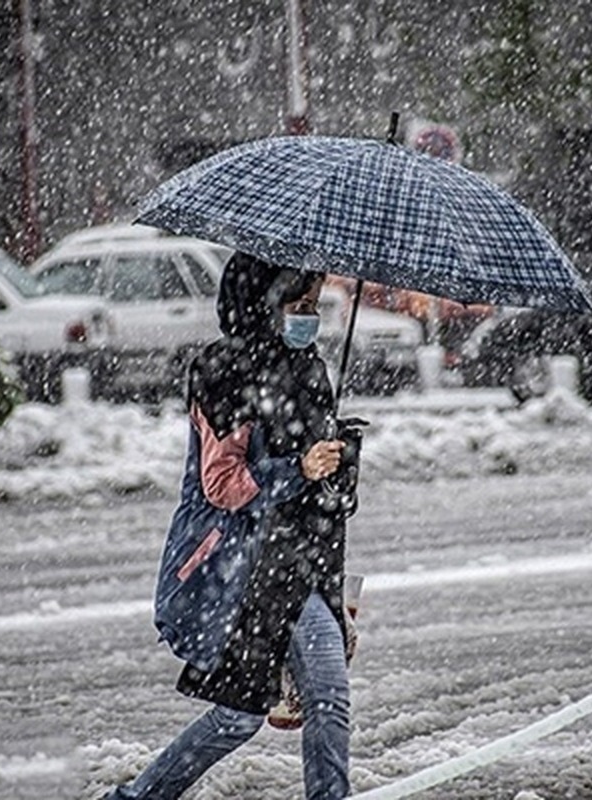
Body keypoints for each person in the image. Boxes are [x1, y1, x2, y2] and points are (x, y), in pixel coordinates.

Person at [106, 252, 360, 799]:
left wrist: (338, 465)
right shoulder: (224, 371)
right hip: (243, 568)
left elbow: (318, 493)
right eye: (297, 304)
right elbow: (223, 483)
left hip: (297, 560)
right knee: (238, 717)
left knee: (329, 697)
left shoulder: (310, 369)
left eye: (313, 305)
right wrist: (299, 467)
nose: (307, 317)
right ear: (261, 303)